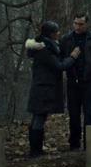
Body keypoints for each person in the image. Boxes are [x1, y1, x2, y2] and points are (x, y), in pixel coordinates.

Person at [25, 20, 81, 158]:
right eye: (56, 32)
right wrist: (72, 57)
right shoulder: (44, 49)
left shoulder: (47, 46)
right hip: (43, 88)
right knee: (39, 118)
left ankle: (36, 149)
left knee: (39, 118)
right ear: (51, 34)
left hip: (42, 87)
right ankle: (35, 151)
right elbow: (59, 66)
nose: (59, 34)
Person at [59, 13, 91, 150]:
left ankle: (90, 144)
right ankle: (74, 144)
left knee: (89, 113)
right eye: (75, 23)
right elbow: (59, 57)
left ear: (86, 24)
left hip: (89, 81)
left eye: (81, 24)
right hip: (72, 81)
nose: (77, 26)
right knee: (73, 114)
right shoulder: (66, 39)